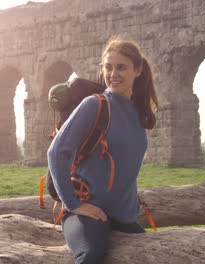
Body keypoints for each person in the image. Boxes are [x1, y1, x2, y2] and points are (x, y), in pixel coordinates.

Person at [47, 36, 159, 264]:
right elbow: (56, 153)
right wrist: (74, 204)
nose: (113, 74)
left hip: (123, 216)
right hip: (87, 212)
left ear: (137, 70)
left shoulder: (138, 113)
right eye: (108, 67)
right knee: (91, 256)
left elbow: (125, 163)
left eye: (121, 67)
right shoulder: (94, 104)